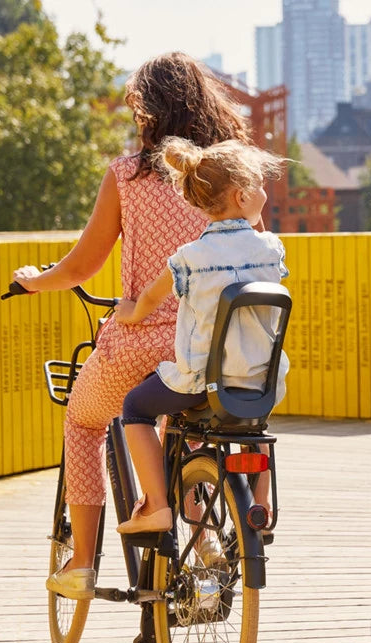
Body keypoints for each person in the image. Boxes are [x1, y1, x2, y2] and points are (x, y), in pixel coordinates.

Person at [12, 52, 260, 600]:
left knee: (83, 420)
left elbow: (81, 267)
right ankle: (202, 528)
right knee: (184, 420)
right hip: (217, 346)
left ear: (147, 112)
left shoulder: (127, 176)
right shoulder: (233, 178)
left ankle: (79, 562)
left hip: (140, 340)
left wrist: (33, 280)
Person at [114, 136, 289, 535]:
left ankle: (156, 506)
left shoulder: (189, 258)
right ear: (243, 196)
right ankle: (259, 507)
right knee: (253, 425)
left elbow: (148, 301)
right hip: (259, 382)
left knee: (136, 408)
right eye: (260, 185)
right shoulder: (271, 249)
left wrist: (130, 313)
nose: (265, 190)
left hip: (201, 382)